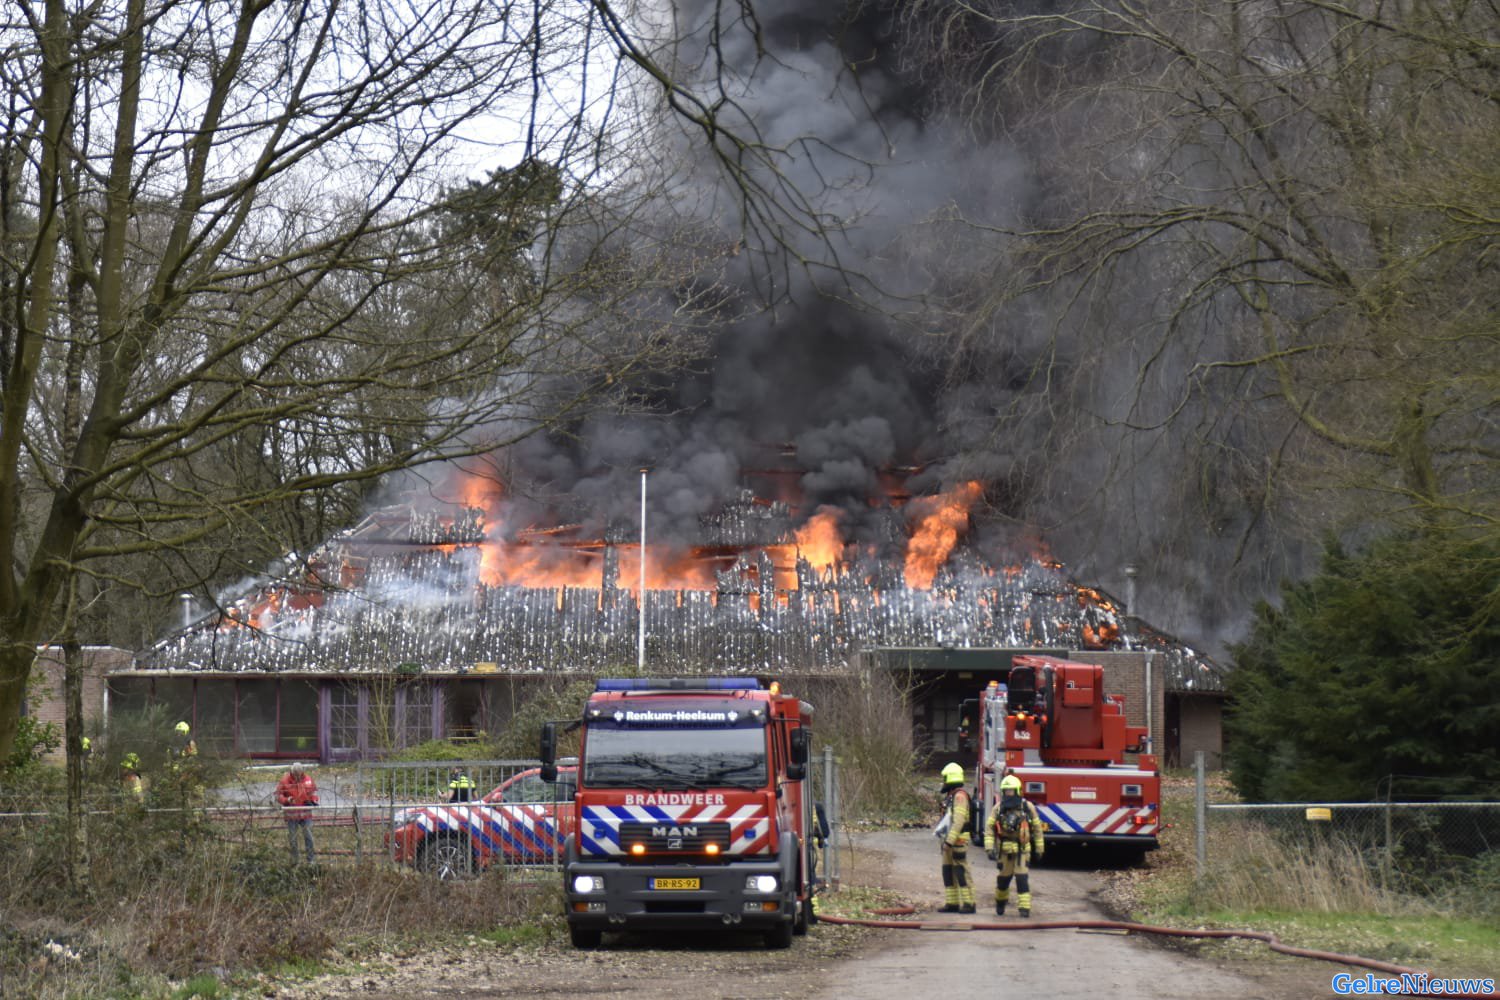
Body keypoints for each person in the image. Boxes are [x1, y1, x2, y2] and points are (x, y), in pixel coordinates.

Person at [984, 773, 1045, 916]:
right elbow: (989, 828)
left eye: (1011, 791)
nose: (1008, 794)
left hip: (1022, 850)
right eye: (1006, 791)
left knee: (1022, 879)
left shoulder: (1027, 807)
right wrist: (989, 848)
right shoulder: (998, 808)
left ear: (1017, 791)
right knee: (1003, 880)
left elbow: (1037, 828)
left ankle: (1024, 908)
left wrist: (1039, 849)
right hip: (1005, 851)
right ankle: (1000, 903)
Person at [936, 761, 976, 914]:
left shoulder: (959, 797)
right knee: (948, 872)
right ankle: (952, 903)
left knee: (961, 871)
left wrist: (949, 841)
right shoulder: (951, 797)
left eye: (945, 778)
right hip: (949, 841)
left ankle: (969, 903)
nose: (943, 782)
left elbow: (958, 821)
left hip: (957, 841)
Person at [275, 762, 319, 863]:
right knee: (293, 839)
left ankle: (311, 860)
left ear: (302, 772)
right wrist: (287, 800)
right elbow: (278, 795)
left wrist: (313, 800)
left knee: (309, 837)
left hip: (306, 814)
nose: (298, 777)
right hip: (291, 815)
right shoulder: (284, 781)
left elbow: (313, 793)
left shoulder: (308, 779)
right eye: (296, 775)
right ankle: (295, 861)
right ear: (292, 772)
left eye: (299, 774)